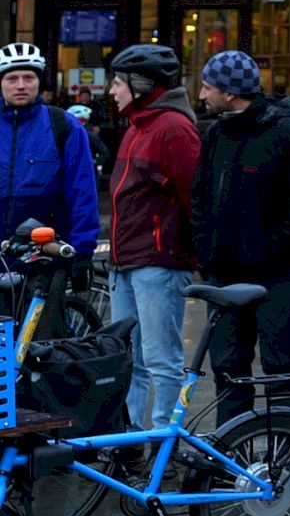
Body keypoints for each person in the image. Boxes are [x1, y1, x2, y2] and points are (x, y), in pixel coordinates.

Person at [191, 50, 290, 416]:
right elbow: (200, 196)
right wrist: (206, 250)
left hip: (279, 275)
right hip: (225, 274)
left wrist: (275, 246)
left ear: (231, 91)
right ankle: (230, 455)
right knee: (227, 368)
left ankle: (288, 454)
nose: (201, 95)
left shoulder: (287, 133)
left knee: (280, 366)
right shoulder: (216, 134)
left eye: (207, 87)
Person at [105, 42, 200, 429]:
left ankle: (165, 440)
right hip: (125, 261)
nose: (111, 91)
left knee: (161, 359)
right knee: (128, 358)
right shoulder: (136, 127)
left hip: (158, 263)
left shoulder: (174, 128)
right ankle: (131, 438)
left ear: (139, 85)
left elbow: (193, 196)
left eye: (117, 82)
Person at [0, 42, 102, 259]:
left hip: (45, 250)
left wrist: (82, 251)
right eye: (12, 79)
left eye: (29, 78)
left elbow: (82, 191)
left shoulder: (63, 124)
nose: (20, 85)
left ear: (39, 82)